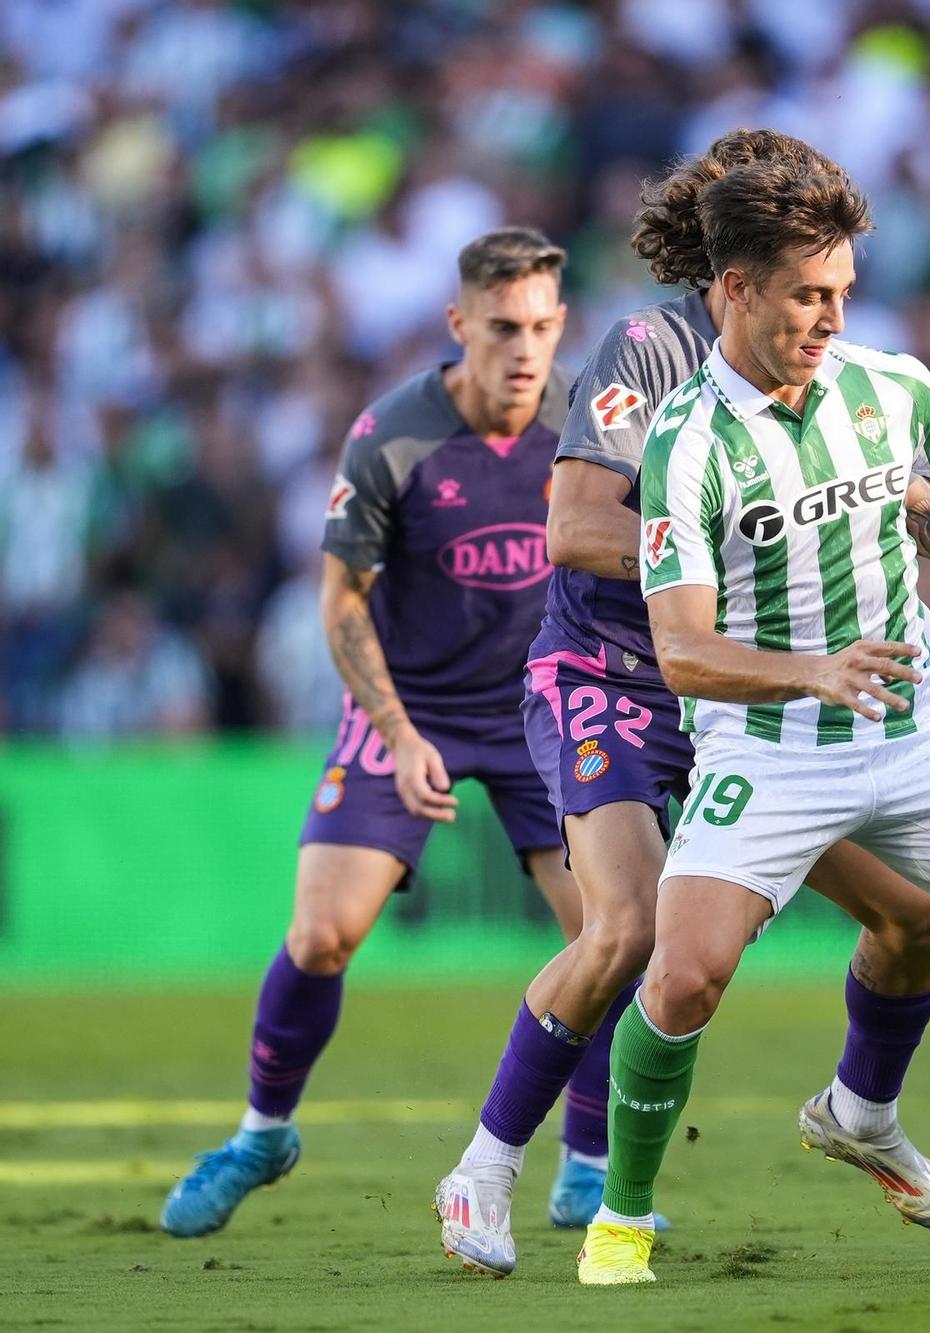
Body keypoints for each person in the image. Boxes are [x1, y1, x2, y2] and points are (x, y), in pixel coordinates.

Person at [434, 131, 930, 1278]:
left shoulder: (839, 375)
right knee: (632, 930)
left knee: (917, 920)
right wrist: (707, 563)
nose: (828, 301)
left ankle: (862, 1117)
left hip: (769, 702)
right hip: (616, 678)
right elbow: (571, 528)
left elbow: (891, 500)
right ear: (732, 254)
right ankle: (489, 1165)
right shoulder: (649, 353)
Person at [161, 228, 587, 1237]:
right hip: (414, 708)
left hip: (542, 704)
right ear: (458, 325)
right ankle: (263, 1132)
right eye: (499, 329)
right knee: (320, 935)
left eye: (537, 327)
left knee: (611, 936)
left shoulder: (590, 424)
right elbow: (341, 597)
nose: (522, 350)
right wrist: (395, 732)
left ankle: (591, 1154)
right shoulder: (394, 434)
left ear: (559, 323)